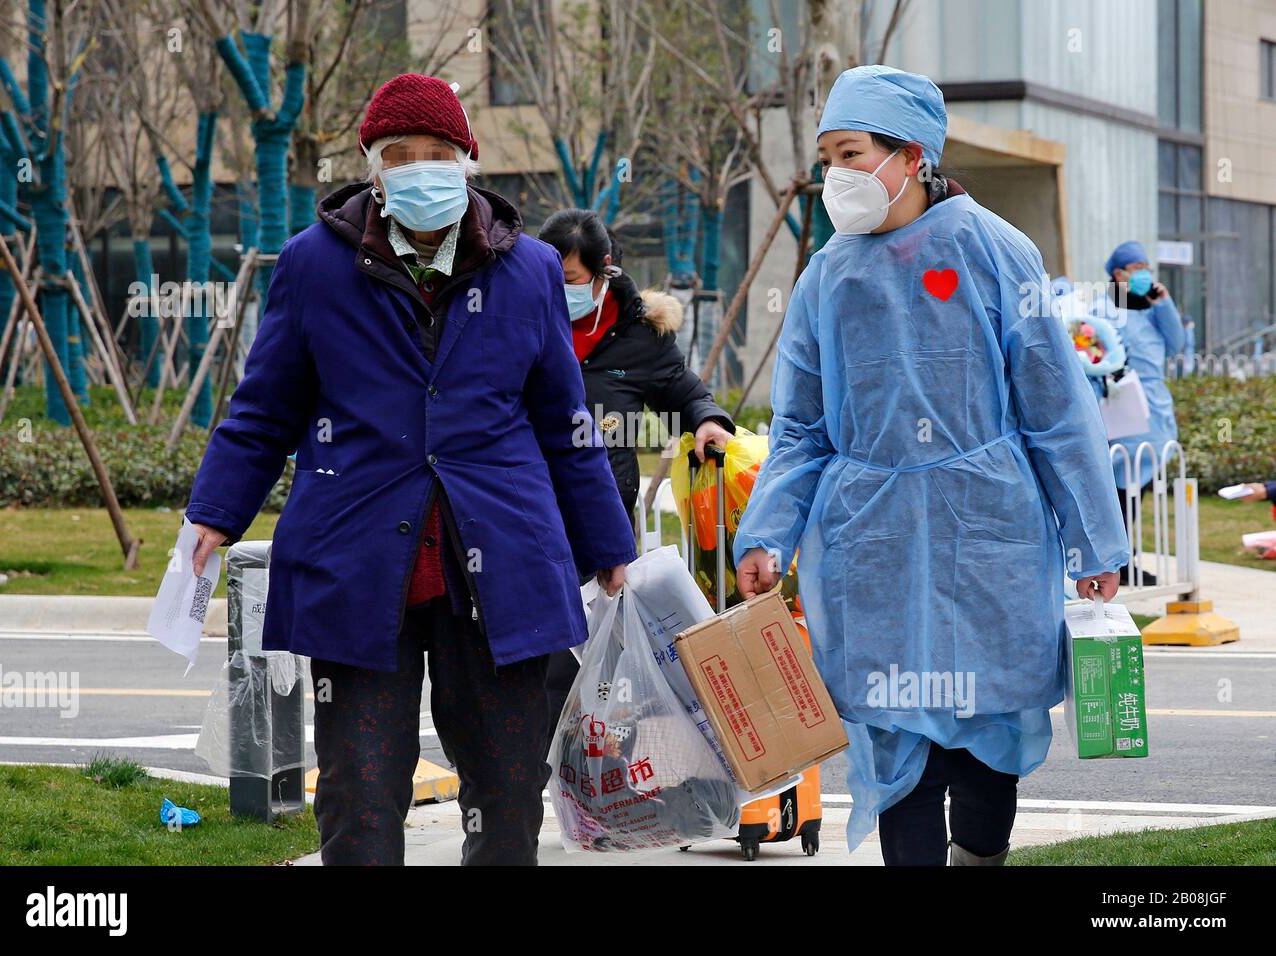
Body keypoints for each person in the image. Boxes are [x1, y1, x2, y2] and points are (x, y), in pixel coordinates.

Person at [184, 74, 637, 866]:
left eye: (439, 153)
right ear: (373, 167)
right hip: (357, 564)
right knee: (360, 799)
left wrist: (606, 544)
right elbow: (264, 409)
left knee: (504, 801)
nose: (422, 168)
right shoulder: (312, 265)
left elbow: (564, 422)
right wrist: (215, 512)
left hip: (501, 563)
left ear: (467, 160)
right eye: (403, 155)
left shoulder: (528, 270)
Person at [730, 65, 1129, 866]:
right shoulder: (825, 277)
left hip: (990, 538)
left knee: (987, 748)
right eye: (828, 158)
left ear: (910, 156)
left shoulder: (996, 252)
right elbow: (802, 426)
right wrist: (766, 534)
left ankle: (979, 854)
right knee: (896, 750)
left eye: (850, 154)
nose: (835, 176)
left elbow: (1057, 409)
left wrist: (1096, 542)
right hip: (868, 547)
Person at [535, 208, 735, 745]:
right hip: (528, 509)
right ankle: (528, 784)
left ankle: (594, 780)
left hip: (600, 514)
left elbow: (680, 388)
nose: (561, 292)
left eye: (572, 281)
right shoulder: (525, 322)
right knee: (541, 652)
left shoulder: (637, 335)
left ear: (605, 273)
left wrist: (709, 422)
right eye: (551, 279)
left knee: (591, 654)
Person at [1089, 241, 1184, 585]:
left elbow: (1177, 346)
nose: (1145, 272)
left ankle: (1123, 562)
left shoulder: (1151, 310)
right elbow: (1091, 351)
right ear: (1119, 274)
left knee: (1136, 489)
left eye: (1147, 266)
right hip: (1120, 408)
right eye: (1137, 267)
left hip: (1154, 412)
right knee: (1118, 490)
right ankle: (1116, 563)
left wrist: (1165, 304)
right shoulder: (1101, 309)